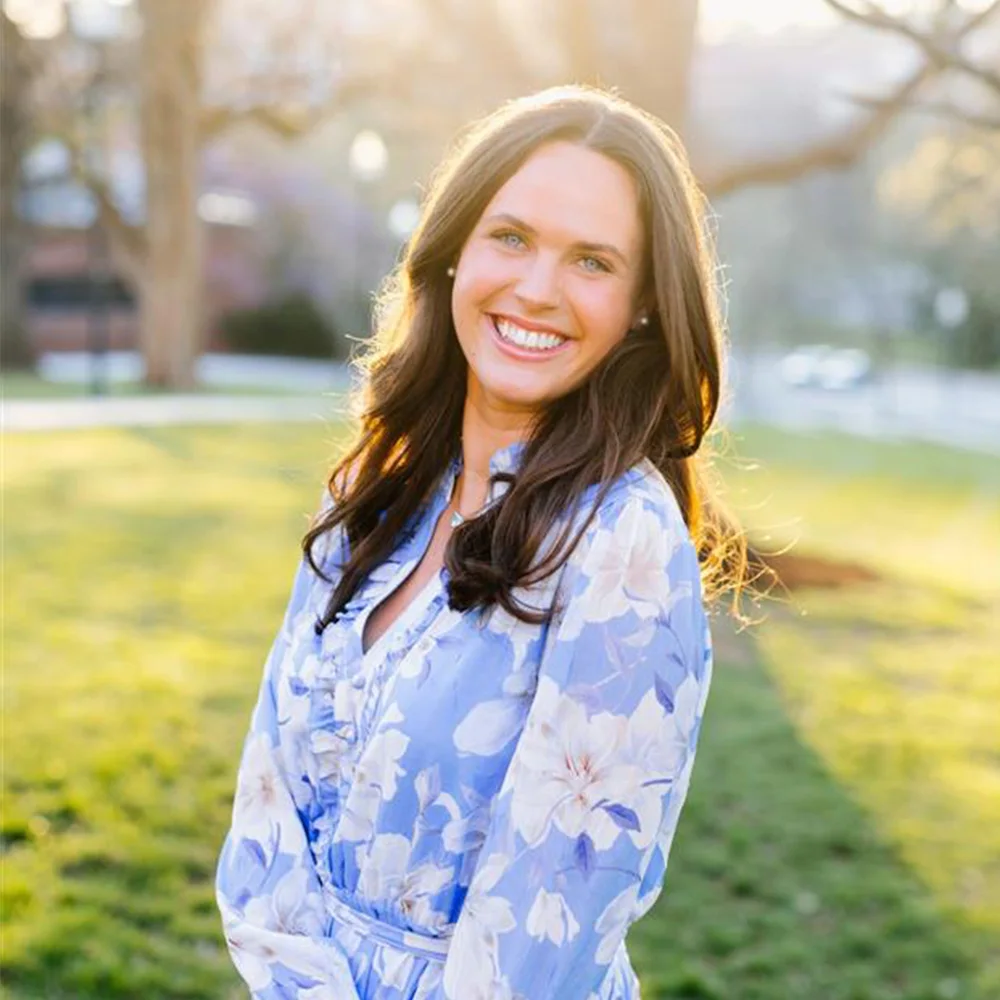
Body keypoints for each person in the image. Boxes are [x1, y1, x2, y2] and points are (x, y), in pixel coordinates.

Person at [215, 84, 746, 1000]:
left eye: (591, 261)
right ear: (453, 251)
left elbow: (550, 929)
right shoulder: (374, 490)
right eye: (511, 237)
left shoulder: (622, 545)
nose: (536, 289)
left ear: (645, 307)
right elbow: (266, 807)